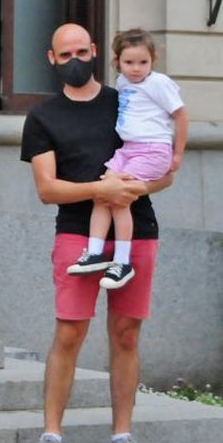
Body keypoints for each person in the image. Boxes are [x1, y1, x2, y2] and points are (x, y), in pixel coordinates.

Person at [21, 23, 174, 443]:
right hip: (76, 234)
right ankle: (50, 436)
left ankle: (122, 437)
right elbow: (47, 189)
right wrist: (101, 188)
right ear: (51, 59)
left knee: (126, 334)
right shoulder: (43, 117)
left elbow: (164, 167)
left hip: (137, 229)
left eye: (81, 52)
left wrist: (132, 188)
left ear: (95, 51)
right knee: (70, 332)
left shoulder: (129, 99)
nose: (74, 61)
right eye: (64, 55)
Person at [65, 28, 187, 291]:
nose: (136, 69)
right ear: (117, 61)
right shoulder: (122, 83)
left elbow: (181, 115)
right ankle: (95, 252)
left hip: (152, 149)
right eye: (129, 62)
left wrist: (177, 153)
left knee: (119, 198)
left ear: (152, 60)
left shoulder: (158, 83)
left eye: (143, 62)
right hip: (128, 149)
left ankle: (122, 262)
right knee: (102, 193)